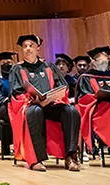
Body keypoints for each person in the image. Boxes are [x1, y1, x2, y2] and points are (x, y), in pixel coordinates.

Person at [8, 34, 81, 172]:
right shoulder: (18, 69)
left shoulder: (49, 67)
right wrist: (31, 99)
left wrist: (55, 97)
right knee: (35, 111)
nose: (28, 49)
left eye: (31, 46)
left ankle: (70, 156)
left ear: (37, 49)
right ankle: (36, 159)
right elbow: (15, 92)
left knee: (71, 112)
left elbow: (63, 86)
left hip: (52, 103)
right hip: (31, 105)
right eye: (25, 46)